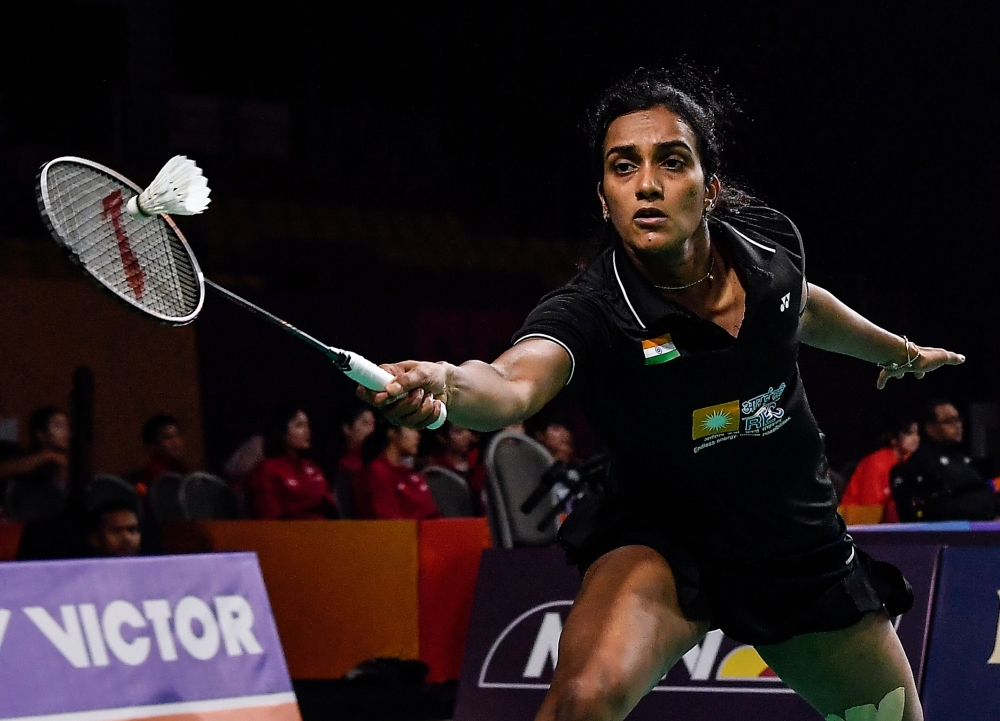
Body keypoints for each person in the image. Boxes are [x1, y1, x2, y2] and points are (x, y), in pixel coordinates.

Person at [358, 67, 966, 721]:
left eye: (672, 162)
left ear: (711, 188)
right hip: (664, 542)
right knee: (582, 703)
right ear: (603, 197)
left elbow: (804, 310)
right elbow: (512, 383)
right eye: (624, 167)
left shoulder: (768, 247)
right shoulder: (592, 310)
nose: (647, 184)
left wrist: (895, 351)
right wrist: (449, 382)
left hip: (794, 538)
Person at [890, 400, 995, 522]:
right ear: (930, 427)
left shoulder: (963, 460)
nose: (958, 425)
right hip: (951, 534)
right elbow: (939, 508)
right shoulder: (921, 464)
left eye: (958, 419)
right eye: (949, 421)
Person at [248, 405, 338, 520]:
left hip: (324, 530)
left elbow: (330, 504)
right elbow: (268, 522)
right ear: (281, 431)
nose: (307, 431)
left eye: (307, 425)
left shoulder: (312, 467)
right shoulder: (265, 470)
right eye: (299, 425)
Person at [354, 418, 439, 520]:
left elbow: (433, 514)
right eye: (412, 429)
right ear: (392, 432)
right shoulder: (377, 472)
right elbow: (390, 522)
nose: (418, 435)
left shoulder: (410, 474)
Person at [840, 418, 920, 524]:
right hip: (857, 525)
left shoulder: (911, 462)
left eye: (917, 433)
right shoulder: (876, 463)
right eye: (909, 434)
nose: (916, 438)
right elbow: (870, 509)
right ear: (893, 438)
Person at [0, 407, 71, 521]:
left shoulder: (73, 463)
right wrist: (48, 456)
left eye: (67, 426)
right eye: (58, 426)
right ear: (41, 434)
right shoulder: (21, 458)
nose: (66, 432)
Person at [429, 421, 487, 514]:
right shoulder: (434, 473)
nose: (467, 436)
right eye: (458, 431)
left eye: (468, 430)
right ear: (442, 437)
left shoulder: (479, 464)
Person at [133, 414, 188, 496]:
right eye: (167, 437)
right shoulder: (156, 474)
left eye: (178, 435)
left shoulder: (179, 467)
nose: (176, 441)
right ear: (153, 445)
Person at [335, 403, 377, 477]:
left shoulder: (375, 460)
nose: (371, 430)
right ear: (347, 429)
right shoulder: (344, 464)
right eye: (365, 423)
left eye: (373, 424)